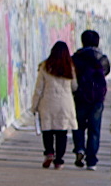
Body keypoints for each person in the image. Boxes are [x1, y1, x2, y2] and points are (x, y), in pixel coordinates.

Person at [30, 41, 78, 169]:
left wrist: (34, 106)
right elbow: (74, 86)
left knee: (48, 129)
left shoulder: (45, 67)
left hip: (48, 102)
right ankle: (59, 161)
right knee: (62, 132)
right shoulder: (70, 67)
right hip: (65, 103)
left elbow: (39, 89)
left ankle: (49, 152)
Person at [72, 29, 111, 170]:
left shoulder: (76, 57)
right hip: (97, 98)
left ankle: (80, 148)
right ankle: (92, 161)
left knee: (78, 126)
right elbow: (105, 72)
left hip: (80, 96)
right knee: (94, 129)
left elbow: (73, 75)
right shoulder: (102, 58)